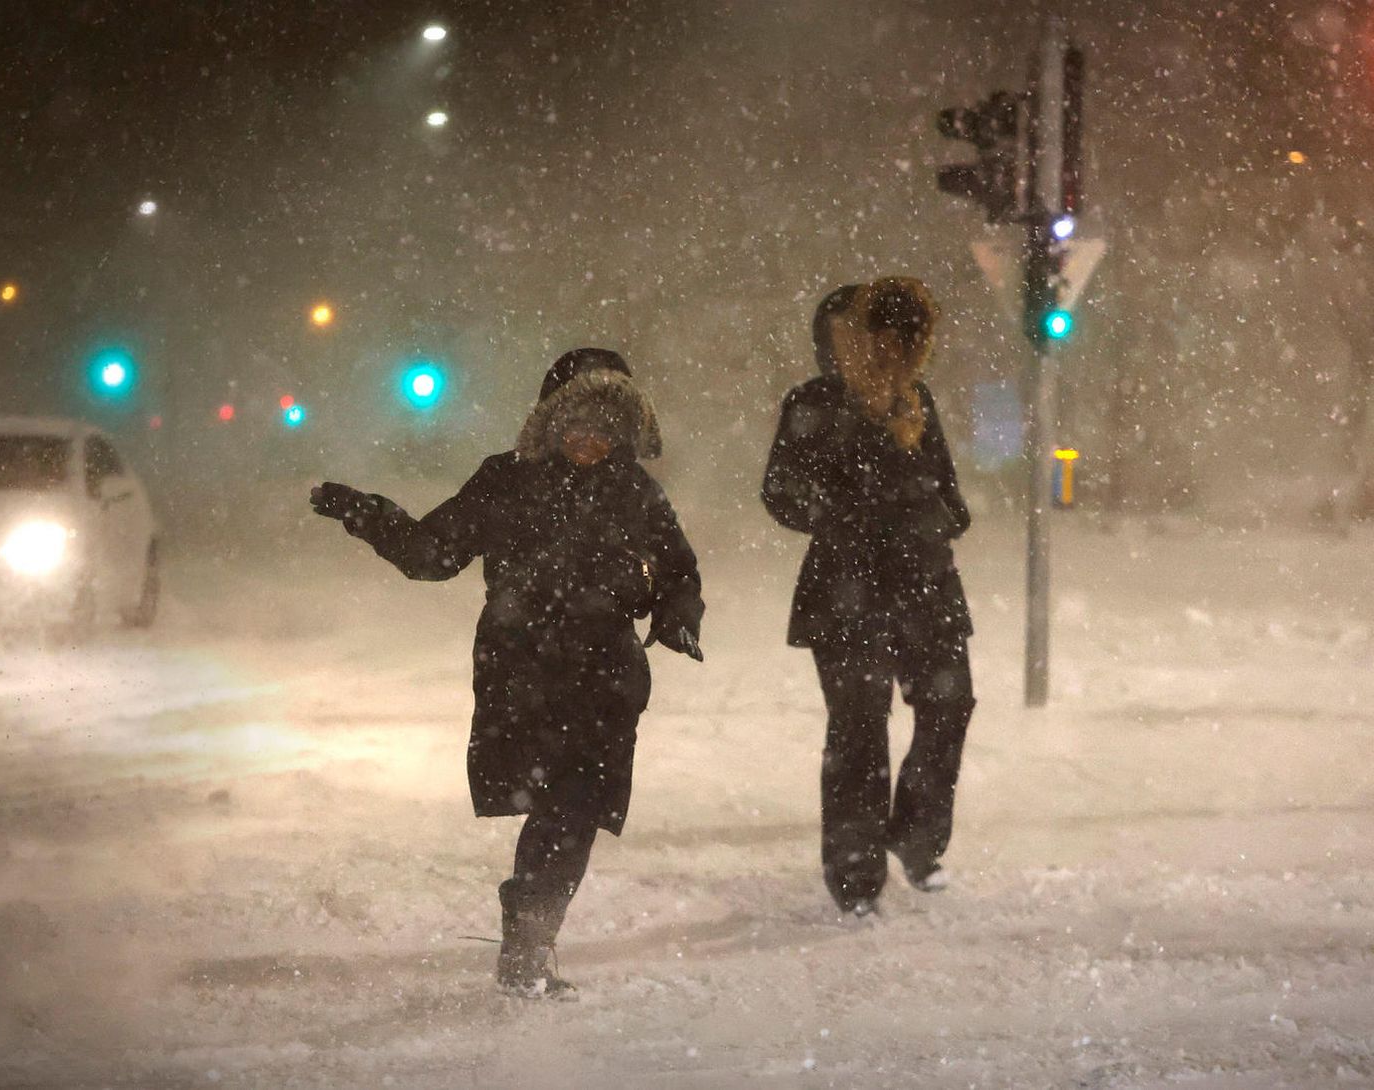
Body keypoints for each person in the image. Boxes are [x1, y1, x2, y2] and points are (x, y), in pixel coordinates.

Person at [310, 348, 704, 997]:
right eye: (576, 424)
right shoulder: (508, 479)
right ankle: (528, 936)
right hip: (522, 667)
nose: (590, 441)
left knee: (573, 814)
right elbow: (431, 554)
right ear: (550, 421)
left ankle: (530, 937)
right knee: (557, 806)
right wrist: (363, 511)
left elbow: (679, 571)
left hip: (606, 674)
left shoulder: (636, 492)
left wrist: (677, 611)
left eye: (606, 428)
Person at [761, 278, 975, 918]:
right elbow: (781, 492)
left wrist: (939, 516)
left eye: (896, 336)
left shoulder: (918, 401)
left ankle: (916, 838)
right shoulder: (814, 403)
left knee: (950, 704)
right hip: (846, 592)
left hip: (926, 587)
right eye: (867, 334)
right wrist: (851, 515)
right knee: (858, 730)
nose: (883, 347)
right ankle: (856, 879)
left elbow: (948, 493)